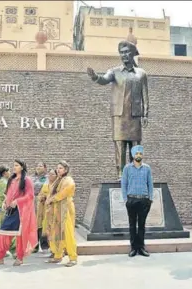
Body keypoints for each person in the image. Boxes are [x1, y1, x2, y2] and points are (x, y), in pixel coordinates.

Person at [86, 40, 149, 179]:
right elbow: (104, 79)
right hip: (119, 115)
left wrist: (145, 114)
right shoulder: (114, 72)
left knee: (135, 145)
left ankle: (136, 173)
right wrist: (95, 77)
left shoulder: (141, 73)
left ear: (133, 53)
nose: (124, 55)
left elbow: (145, 94)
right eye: (122, 52)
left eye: (127, 52)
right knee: (120, 145)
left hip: (135, 115)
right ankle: (120, 174)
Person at [0, 160, 37, 266]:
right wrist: (5, 203)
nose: (14, 167)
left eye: (16, 165)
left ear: (22, 167)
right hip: (10, 211)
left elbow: (30, 196)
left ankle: (20, 258)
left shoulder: (27, 180)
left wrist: (17, 201)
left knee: (19, 236)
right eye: (14, 165)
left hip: (20, 212)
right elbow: (8, 195)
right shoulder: (12, 180)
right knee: (2, 233)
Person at [121, 145, 154, 257]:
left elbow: (150, 184)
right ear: (133, 155)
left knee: (142, 225)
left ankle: (141, 248)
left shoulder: (147, 168)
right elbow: (124, 184)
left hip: (144, 200)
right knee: (132, 225)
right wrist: (125, 199)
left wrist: (150, 198)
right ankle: (133, 248)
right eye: (136, 153)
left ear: (142, 155)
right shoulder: (127, 168)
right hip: (131, 199)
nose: (138, 155)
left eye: (140, 153)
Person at [45, 161, 78, 267]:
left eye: (60, 168)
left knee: (67, 232)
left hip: (65, 209)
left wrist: (52, 199)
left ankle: (73, 257)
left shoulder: (68, 180)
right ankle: (58, 255)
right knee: (56, 232)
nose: (58, 170)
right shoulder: (57, 180)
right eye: (57, 168)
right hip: (56, 209)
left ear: (66, 170)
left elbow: (64, 193)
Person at [0, 166, 16, 258]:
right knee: (7, 228)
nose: (10, 172)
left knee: (0, 229)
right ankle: (13, 250)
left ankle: (1, 250)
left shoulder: (1, 181)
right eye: (9, 171)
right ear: (5, 172)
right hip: (2, 207)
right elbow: (7, 195)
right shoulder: (4, 182)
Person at [37, 168, 57, 256]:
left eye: (52, 174)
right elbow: (40, 194)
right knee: (45, 229)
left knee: (54, 230)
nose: (50, 176)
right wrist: (42, 197)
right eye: (49, 174)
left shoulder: (58, 185)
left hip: (54, 210)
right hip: (45, 210)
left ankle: (56, 250)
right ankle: (46, 247)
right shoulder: (46, 184)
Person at [32, 162, 49, 253]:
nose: (38, 167)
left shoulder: (47, 178)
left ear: (45, 168)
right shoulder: (32, 178)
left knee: (42, 224)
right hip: (32, 203)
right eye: (37, 166)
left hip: (42, 204)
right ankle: (34, 245)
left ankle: (44, 245)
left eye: (41, 166)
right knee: (33, 224)